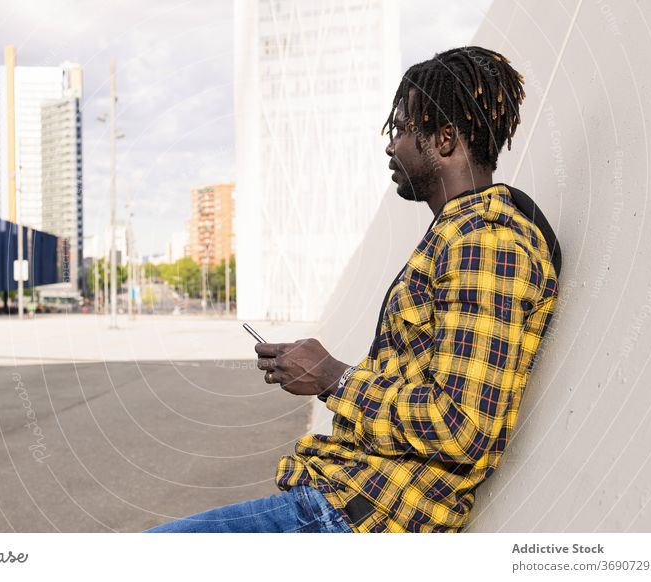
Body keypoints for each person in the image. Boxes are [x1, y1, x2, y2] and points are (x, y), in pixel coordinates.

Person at [145, 46, 560, 533]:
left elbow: (461, 426)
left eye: (402, 129)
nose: (391, 146)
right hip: (338, 500)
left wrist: (335, 379)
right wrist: (325, 375)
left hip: (353, 519)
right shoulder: (459, 235)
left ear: (444, 139)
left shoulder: (485, 244)